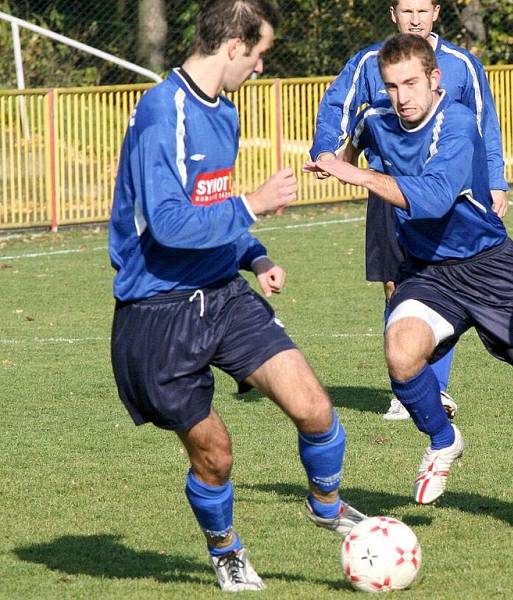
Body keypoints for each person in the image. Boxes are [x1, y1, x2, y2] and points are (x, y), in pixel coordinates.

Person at [108, 0, 365, 591]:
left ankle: (326, 505)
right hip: (158, 311)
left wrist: (254, 254)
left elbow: (209, 204)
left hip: (222, 294)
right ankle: (225, 548)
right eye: (259, 54)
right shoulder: (161, 113)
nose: (260, 67)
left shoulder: (224, 114)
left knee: (315, 408)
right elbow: (170, 224)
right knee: (216, 455)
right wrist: (253, 203)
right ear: (232, 47)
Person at [306, 34, 513, 506]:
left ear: (434, 80)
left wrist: (359, 175)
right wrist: (334, 156)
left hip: (493, 270)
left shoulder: (456, 123)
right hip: (430, 272)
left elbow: (431, 199)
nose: (401, 96)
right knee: (401, 352)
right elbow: (351, 133)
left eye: (410, 83)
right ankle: (443, 440)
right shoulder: (377, 120)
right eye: (390, 86)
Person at [311, 0, 510, 421]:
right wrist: (327, 153)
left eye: (422, 10)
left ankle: (433, 389)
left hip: (450, 194)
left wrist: (495, 181)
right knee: (395, 285)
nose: (415, 19)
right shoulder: (368, 62)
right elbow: (337, 107)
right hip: (389, 188)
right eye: (407, 11)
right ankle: (408, 389)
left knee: (445, 281)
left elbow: (483, 124)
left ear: (436, 13)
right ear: (393, 14)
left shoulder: (461, 64)